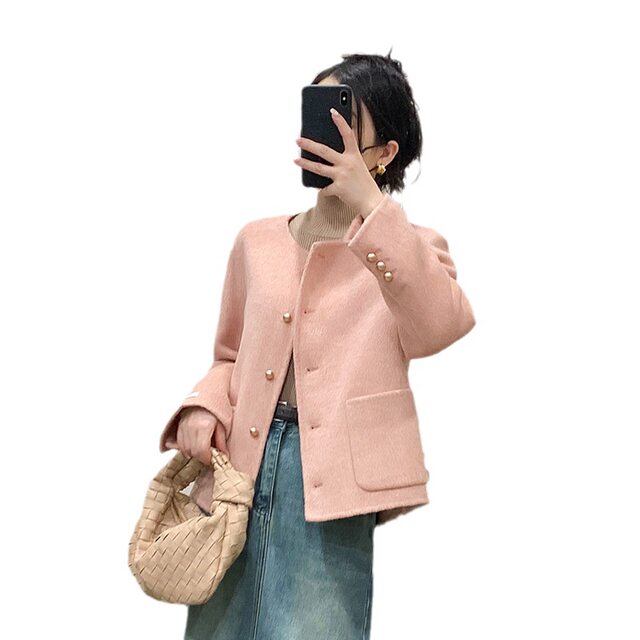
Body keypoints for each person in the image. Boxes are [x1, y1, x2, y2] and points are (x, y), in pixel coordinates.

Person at [159, 51, 476, 640]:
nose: (322, 137)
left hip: (332, 481)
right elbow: (229, 355)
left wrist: (371, 207)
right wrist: (204, 405)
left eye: (344, 123)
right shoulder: (257, 241)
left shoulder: (408, 248)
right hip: (238, 469)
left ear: (384, 153)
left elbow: (441, 325)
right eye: (317, 115)